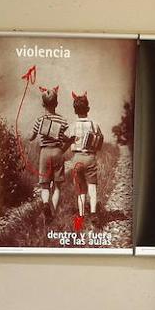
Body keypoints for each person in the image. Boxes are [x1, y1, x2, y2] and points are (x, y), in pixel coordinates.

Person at [27, 85, 69, 215]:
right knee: (57, 186)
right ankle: (54, 213)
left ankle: (46, 204)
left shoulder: (40, 120)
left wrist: (29, 136)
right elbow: (64, 137)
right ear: (56, 103)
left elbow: (32, 137)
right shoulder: (62, 120)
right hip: (57, 152)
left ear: (42, 104)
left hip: (44, 153)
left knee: (44, 185)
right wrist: (70, 140)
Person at [68, 91, 103, 222]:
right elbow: (99, 140)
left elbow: (68, 139)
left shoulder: (72, 126)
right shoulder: (94, 124)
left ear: (75, 110)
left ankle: (81, 215)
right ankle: (94, 214)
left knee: (80, 189)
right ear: (88, 108)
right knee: (92, 186)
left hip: (77, 158)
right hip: (90, 158)